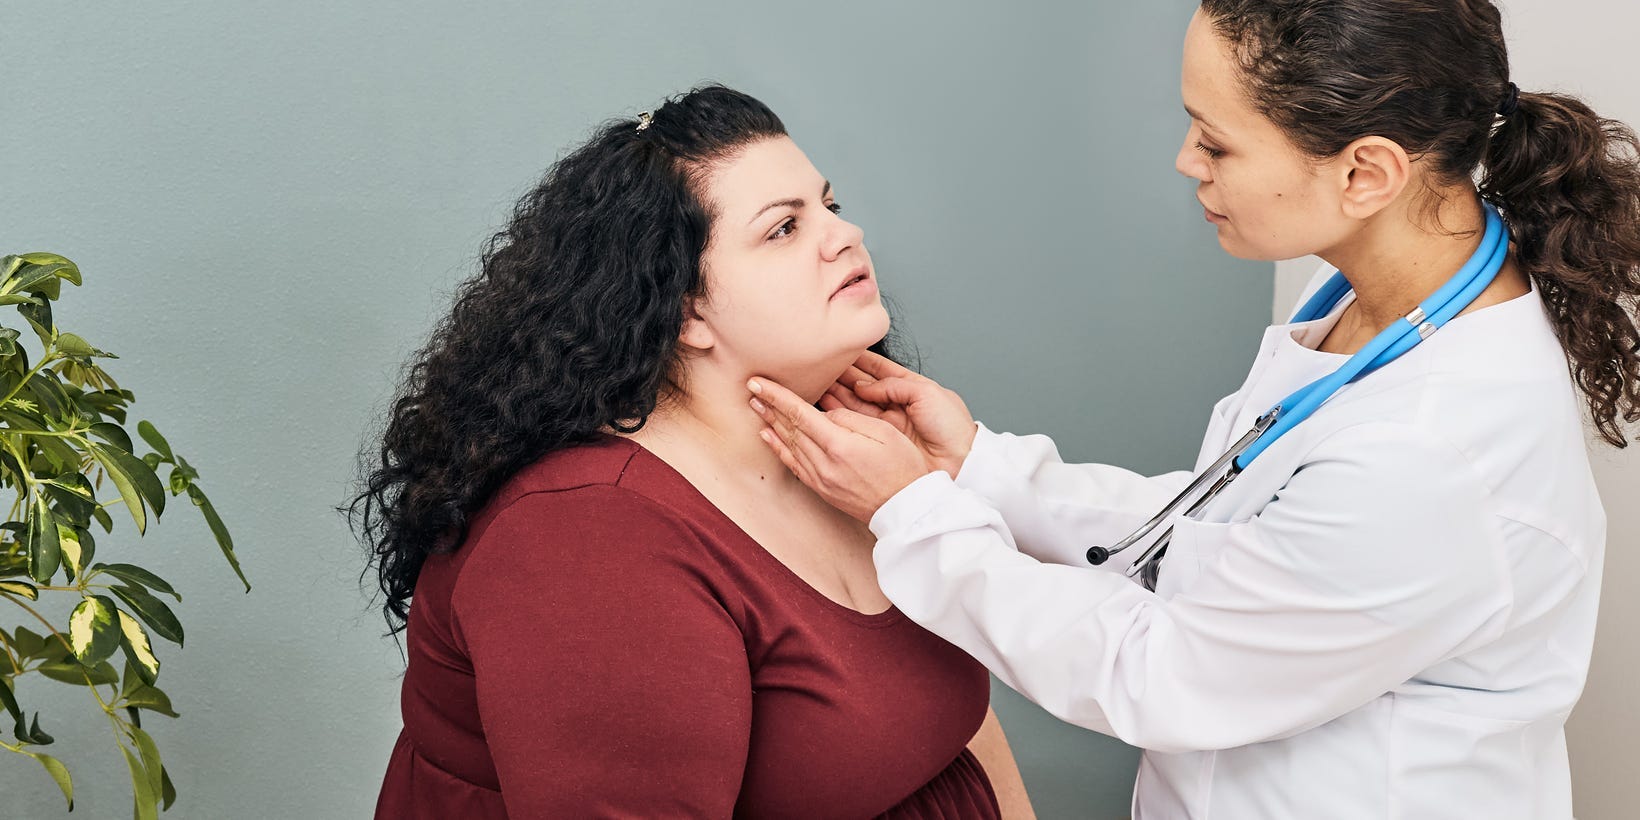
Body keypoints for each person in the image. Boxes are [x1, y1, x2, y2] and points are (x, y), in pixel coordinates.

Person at [745, 2, 1640, 818]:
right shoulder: (1387, 303)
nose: (1186, 163)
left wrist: (914, 515)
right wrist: (979, 465)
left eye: (1216, 143)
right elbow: (1234, 532)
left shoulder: (1437, 448)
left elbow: (1159, 672)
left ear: (1367, 173)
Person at [351, 85, 1034, 818]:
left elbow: (955, 730)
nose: (847, 235)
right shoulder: (587, 546)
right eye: (784, 229)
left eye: (829, 208)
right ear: (686, 312)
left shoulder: (858, 447)